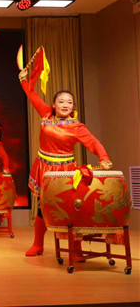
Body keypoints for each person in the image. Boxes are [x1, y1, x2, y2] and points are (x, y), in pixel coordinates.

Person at [19, 62, 112, 258]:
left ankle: (76, 248)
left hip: (66, 170)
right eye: (61, 101)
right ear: (54, 105)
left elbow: (93, 142)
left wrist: (103, 157)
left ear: (72, 106)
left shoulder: (77, 127)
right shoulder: (46, 114)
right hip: (44, 167)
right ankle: (37, 244)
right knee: (43, 207)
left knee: (71, 207)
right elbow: (32, 95)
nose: (65, 105)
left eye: (69, 102)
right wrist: (24, 80)